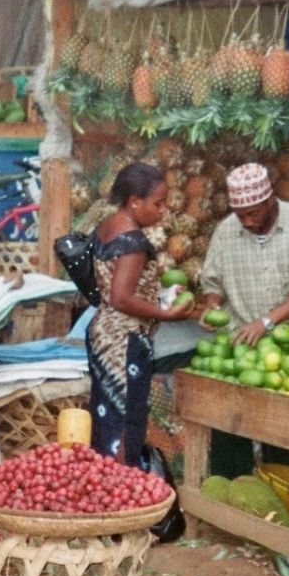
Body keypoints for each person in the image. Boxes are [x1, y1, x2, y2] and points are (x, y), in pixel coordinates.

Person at [198, 162, 289, 477]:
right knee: (229, 430)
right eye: (241, 215)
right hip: (235, 348)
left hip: (288, 350)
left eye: (253, 213)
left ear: (269, 201)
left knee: (283, 437)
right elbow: (211, 284)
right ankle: (231, 501)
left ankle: (282, 499)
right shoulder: (227, 230)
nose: (247, 221)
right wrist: (211, 306)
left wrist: (266, 322)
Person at [88, 162, 193, 468]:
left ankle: (104, 487)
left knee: (107, 417)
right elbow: (122, 297)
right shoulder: (133, 241)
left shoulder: (108, 225)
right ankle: (123, 494)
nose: (163, 211)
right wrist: (165, 314)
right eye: (157, 203)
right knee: (127, 423)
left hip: (104, 333)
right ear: (135, 201)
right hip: (124, 340)